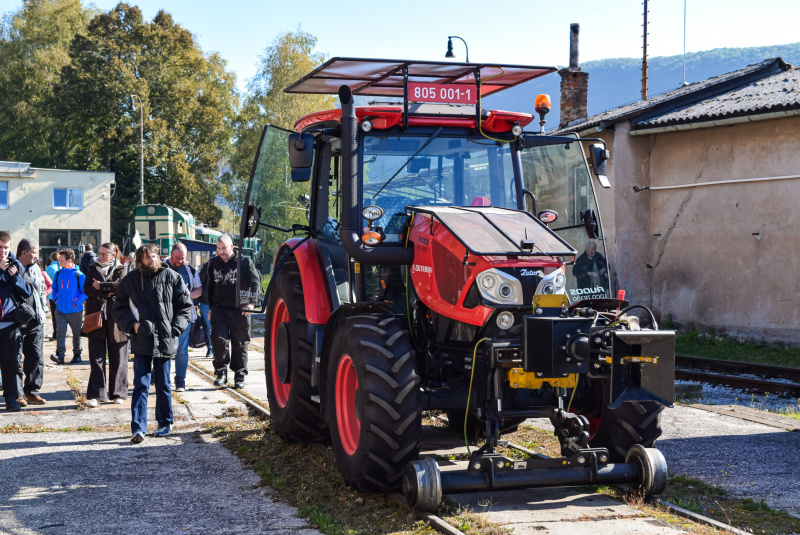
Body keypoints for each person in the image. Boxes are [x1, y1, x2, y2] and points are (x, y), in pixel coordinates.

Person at [112, 243, 192, 443]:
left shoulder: (173, 278)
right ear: (140, 261)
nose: (153, 259)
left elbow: (185, 307)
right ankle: (138, 428)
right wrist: (133, 326)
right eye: (148, 257)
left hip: (165, 339)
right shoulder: (131, 280)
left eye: (155, 256)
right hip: (142, 339)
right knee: (141, 384)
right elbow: (118, 308)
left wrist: (175, 329)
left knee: (164, 384)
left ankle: (165, 422)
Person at [207, 234, 260, 389]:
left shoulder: (244, 261)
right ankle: (221, 373)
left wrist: (250, 303)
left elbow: (255, 282)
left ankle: (239, 375)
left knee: (240, 343)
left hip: (240, 309)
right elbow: (209, 287)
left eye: (224, 248)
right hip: (219, 309)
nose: (221, 251)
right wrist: (210, 307)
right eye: (218, 248)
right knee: (219, 341)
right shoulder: (213, 263)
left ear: (231, 246)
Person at [83, 242, 130, 407]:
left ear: (112, 255)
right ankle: (96, 395)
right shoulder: (92, 268)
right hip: (97, 317)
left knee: (119, 357)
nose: (101, 257)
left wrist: (100, 286)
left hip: (117, 319)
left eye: (105, 254)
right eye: (100, 253)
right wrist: (107, 291)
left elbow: (121, 287)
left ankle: (118, 393)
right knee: (97, 357)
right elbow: (87, 288)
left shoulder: (120, 269)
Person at [0, 231, 31, 412]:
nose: (3, 251)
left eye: (6, 247)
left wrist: (15, 277)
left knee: (11, 363)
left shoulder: (16, 265)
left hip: (10, 323)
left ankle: (11, 398)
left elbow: (26, 291)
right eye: (0, 247)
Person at [165, 243, 201, 392]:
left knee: (181, 350)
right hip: (164, 315)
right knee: (163, 349)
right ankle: (162, 378)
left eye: (182, 258)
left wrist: (189, 295)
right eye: (177, 258)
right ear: (171, 254)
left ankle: (180, 381)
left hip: (185, 315)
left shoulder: (190, 270)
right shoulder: (161, 267)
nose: (180, 261)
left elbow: (199, 289)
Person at [15, 239, 47, 406]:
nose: (36, 256)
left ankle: (32, 391)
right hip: (17, 322)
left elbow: (41, 292)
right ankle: (18, 393)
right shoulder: (12, 269)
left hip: (36, 321)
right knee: (15, 359)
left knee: (35, 357)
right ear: (23, 253)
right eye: (33, 252)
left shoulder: (36, 269)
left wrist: (43, 314)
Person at [49, 249, 87, 365]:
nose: (59, 261)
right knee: (60, 332)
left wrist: (77, 302)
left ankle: (77, 354)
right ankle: (60, 355)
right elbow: (54, 289)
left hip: (75, 310)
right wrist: (56, 299)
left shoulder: (79, 275)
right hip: (60, 309)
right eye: (59, 259)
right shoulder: (58, 274)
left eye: (61, 260)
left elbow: (85, 292)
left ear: (69, 260)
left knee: (77, 333)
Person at [197, 257, 214, 358]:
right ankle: (211, 348)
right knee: (208, 327)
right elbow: (200, 283)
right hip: (206, 303)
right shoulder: (207, 266)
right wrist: (197, 301)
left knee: (218, 328)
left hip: (220, 304)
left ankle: (217, 349)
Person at [45, 252, 60, 342]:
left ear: (52, 259)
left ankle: (55, 334)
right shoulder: (60, 267)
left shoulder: (50, 268)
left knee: (54, 316)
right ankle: (61, 333)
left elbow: (46, 283)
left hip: (52, 295)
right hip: (61, 295)